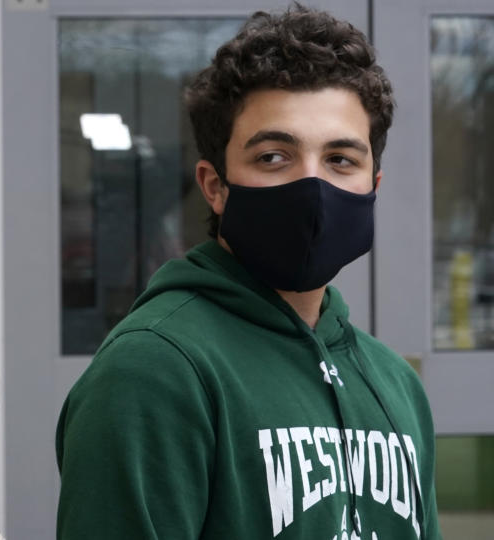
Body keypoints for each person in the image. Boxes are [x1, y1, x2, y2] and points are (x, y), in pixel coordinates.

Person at [56, 5, 441, 539]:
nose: (313, 187)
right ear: (215, 186)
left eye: (340, 160)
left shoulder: (395, 384)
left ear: (373, 185)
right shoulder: (153, 370)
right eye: (273, 157)